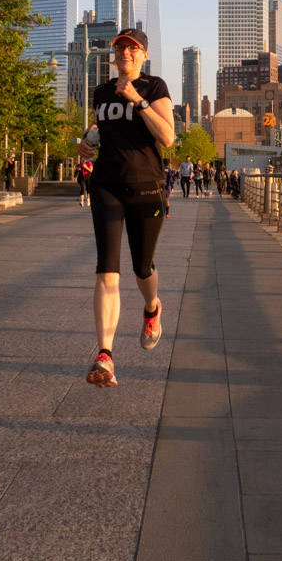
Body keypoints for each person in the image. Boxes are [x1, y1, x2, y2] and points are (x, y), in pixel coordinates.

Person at [78, 28, 175, 389]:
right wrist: (86, 142)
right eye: (120, 48)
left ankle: (152, 308)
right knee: (107, 271)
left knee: (142, 267)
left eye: (133, 49)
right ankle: (105, 355)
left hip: (147, 188)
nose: (125, 54)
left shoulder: (154, 87)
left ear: (144, 55)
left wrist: (137, 99)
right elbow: (100, 128)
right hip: (106, 186)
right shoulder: (102, 91)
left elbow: (167, 137)